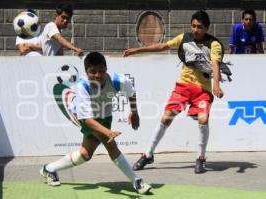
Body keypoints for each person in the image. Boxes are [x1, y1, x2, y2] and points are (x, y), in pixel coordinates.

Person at [124, 10, 225, 174]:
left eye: (199, 27)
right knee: (166, 117)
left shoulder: (213, 44)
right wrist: (138, 50)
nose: (195, 30)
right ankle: (148, 154)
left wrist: (216, 85)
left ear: (206, 28)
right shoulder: (184, 38)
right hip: (183, 87)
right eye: (193, 26)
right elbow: (163, 46)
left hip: (202, 90)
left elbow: (215, 64)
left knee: (203, 118)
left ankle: (201, 157)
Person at [39, 52, 151, 194]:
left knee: (85, 154)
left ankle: (49, 168)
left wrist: (134, 112)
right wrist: (107, 132)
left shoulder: (118, 80)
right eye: (93, 72)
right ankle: (137, 181)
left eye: (101, 71)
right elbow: (87, 120)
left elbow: (131, 93)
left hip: (105, 115)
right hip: (87, 118)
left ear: (106, 69)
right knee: (111, 145)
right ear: (86, 72)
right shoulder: (82, 86)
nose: (97, 75)